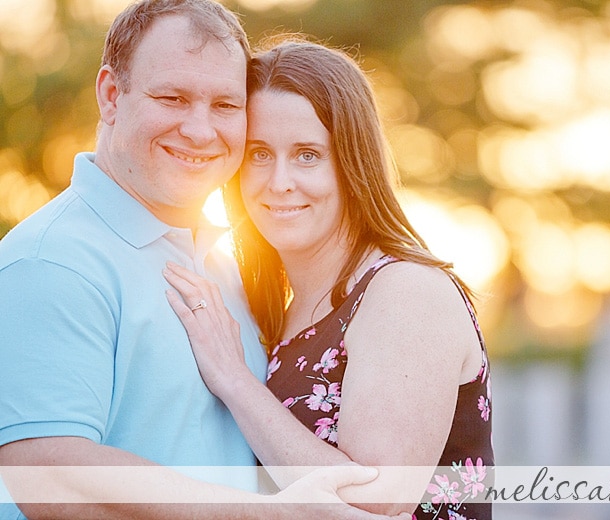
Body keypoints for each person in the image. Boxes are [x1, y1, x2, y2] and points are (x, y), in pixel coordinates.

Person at [0, 2, 409, 519]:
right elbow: (49, 476)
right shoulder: (51, 263)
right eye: (172, 98)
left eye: (225, 105)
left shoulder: (223, 262)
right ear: (110, 94)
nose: (199, 130)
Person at [163, 37, 494, 519]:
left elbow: (376, 499)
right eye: (258, 154)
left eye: (307, 154)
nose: (278, 182)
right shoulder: (279, 304)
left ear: (351, 164)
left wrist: (233, 379)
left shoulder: (406, 291)